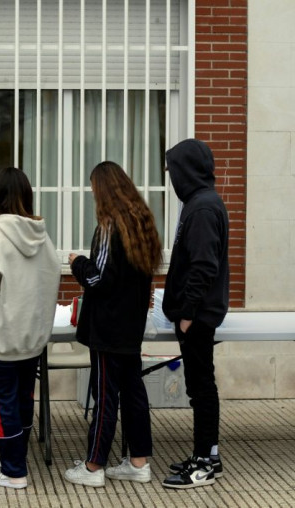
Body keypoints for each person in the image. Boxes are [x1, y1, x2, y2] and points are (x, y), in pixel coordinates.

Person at [63, 161, 162, 488]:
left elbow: (98, 280)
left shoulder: (110, 226)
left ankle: (93, 467)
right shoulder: (141, 223)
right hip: (131, 327)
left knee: (105, 396)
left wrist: (78, 263)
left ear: (102, 191)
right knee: (134, 393)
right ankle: (138, 462)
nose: (93, 196)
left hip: (107, 329)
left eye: (93, 189)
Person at [0, 167, 61, 489]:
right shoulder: (43, 237)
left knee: (2, 402)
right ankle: (19, 459)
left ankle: (13, 470)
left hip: (0, 338)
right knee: (22, 399)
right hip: (32, 336)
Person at [161, 139, 229, 489]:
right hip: (197, 313)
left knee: (201, 388)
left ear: (186, 170)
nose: (169, 176)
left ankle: (205, 462)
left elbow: (203, 266)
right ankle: (207, 456)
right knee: (198, 386)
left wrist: (186, 313)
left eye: (172, 169)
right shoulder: (199, 202)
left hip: (198, 316)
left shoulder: (202, 208)